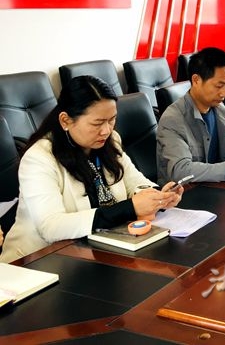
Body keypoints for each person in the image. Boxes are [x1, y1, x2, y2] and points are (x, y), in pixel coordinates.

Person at [0, 76, 183, 263]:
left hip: (97, 250)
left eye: (112, 120)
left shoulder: (110, 141)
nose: (106, 130)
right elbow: (50, 227)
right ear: (65, 120)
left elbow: (134, 181)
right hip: (39, 261)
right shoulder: (39, 158)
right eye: (97, 123)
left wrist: (158, 196)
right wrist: (131, 207)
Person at [157, 47, 225, 185]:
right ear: (196, 80)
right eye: (219, 86)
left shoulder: (217, 108)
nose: (224, 93)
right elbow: (180, 170)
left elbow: (214, 140)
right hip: (187, 193)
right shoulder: (173, 119)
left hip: (216, 186)